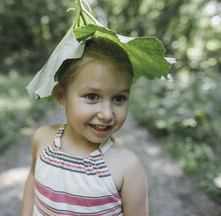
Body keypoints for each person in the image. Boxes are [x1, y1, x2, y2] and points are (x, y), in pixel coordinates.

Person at [21, 37, 148, 216]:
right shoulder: (42, 139)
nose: (106, 114)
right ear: (61, 95)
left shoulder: (128, 167)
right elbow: (33, 180)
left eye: (119, 98)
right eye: (92, 96)